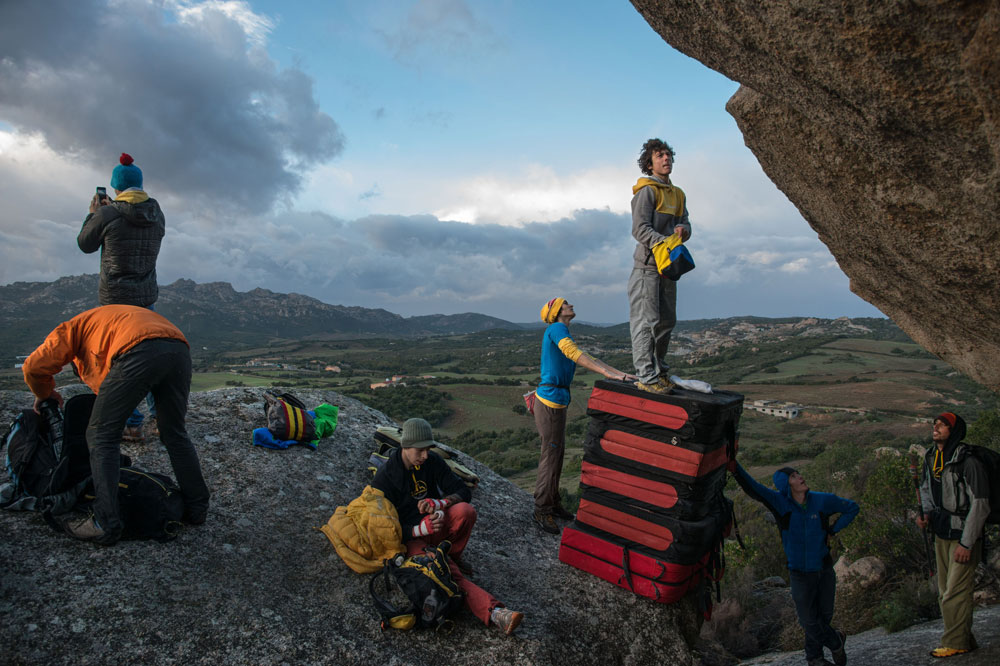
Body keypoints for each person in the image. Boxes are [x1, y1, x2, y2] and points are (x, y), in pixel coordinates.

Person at [22, 305, 210, 546]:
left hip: (138, 349)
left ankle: (105, 522)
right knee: (174, 433)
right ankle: (197, 507)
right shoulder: (104, 325)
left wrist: (45, 392)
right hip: (177, 348)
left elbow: (33, 367)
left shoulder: (69, 330)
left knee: (100, 437)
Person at [371, 417, 524, 636]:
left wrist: (440, 503)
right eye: (420, 450)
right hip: (414, 540)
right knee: (447, 574)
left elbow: (463, 491)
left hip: (437, 527)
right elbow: (383, 528)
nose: (425, 455)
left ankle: (452, 555)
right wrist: (418, 530)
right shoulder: (385, 478)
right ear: (405, 446)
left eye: (428, 449)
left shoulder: (431, 461)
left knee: (464, 512)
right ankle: (495, 612)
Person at [732, 462, 858, 666]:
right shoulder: (780, 504)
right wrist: (734, 469)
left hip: (823, 569)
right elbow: (754, 488)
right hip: (799, 572)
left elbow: (852, 508)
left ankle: (815, 659)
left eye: (799, 474)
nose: (800, 477)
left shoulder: (823, 501)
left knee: (822, 618)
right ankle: (835, 642)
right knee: (809, 620)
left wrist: (833, 530)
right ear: (785, 485)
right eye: (794, 476)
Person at [78, 153, 165, 442]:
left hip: (115, 300)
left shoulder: (108, 214)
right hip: (146, 298)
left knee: (118, 361)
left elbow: (85, 244)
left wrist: (94, 213)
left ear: (116, 186)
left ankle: (131, 424)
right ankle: (163, 419)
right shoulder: (156, 213)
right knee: (150, 356)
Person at [533, 297, 637, 535]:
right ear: (558, 311)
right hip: (550, 401)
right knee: (550, 455)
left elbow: (589, 357)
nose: (571, 305)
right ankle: (541, 508)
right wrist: (608, 374)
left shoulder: (560, 330)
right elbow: (574, 353)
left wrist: (619, 374)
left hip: (556, 401)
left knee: (556, 453)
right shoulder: (556, 328)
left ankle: (553, 501)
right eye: (565, 303)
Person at [916, 412, 990, 658]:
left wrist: (967, 543)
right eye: (935, 424)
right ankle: (965, 639)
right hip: (941, 533)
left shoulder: (969, 462)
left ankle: (955, 642)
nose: (935, 428)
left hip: (963, 536)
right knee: (943, 591)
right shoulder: (931, 457)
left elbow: (980, 504)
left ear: (955, 430)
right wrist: (925, 512)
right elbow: (926, 488)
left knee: (954, 592)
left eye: (943, 425)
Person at [628, 138, 691, 395]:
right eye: (659, 156)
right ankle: (646, 376)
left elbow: (685, 221)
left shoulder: (678, 194)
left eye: (668, 155)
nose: (666, 159)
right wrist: (663, 242)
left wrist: (683, 230)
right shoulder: (647, 191)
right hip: (647, 267)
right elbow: (639, 229)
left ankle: (660, 372)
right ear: (650, 163)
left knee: (667, 321)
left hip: (669, 267)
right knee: (647, 321)